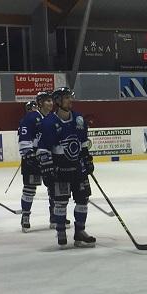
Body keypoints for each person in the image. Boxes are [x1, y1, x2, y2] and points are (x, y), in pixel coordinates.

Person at [37, 87, 96, 248]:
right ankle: (61, 231)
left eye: (70, 97)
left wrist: (87, 159)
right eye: (66, 98)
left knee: (83, 200)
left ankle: (80, 232)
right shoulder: (49, 122)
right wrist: (47, 169)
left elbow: (83, 143)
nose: (70, 100)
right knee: (61, 203)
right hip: (60, 171)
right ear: (58, 101)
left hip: (78, 169)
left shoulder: (78, 119)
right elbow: (43, 149)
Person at [18, 92, 63, 232]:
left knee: (53, 188)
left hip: (49, 158)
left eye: (51, 101)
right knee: (30, 189)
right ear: (40, 103)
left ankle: (54, 217)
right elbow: (24, 136)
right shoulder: (31, 117)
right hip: (33, 159)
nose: (50, 103)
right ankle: (25, 216)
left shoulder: (53, 118)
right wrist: (28, 154)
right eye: (47, 101)